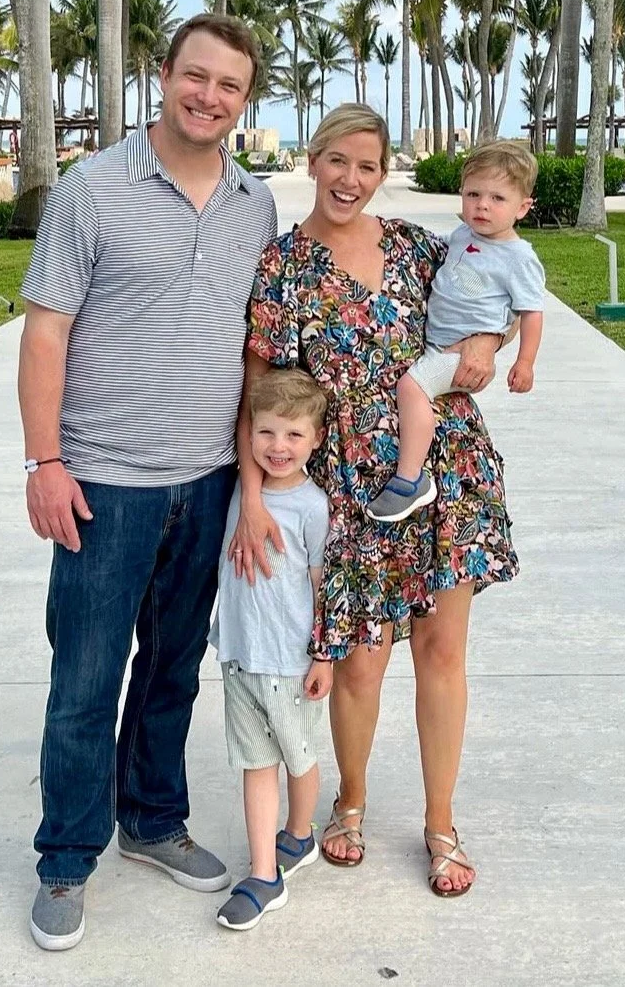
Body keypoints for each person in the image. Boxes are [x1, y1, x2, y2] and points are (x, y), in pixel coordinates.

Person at [17, 13, 277, 951]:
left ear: (247, 100)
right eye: (195, 76)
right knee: (85, 679)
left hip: (206, 479)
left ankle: (153, 821)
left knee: (172, 670)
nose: (209, 96)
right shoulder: (92, 189)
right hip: (103, 480)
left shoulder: (255, 204)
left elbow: (255, 347)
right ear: (162, 75)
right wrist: (46, 463)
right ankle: (66, 858)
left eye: (230, 86)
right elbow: (45, 329)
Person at [232, 105, 518, 900]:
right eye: (337, 162)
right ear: (313, 161)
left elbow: (491, 300)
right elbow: (261, 390)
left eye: (367, 165)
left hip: (446, 466)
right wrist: (253, 494)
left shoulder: (420, 248)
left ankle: (440, 823)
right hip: (348, 482)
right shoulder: (283, 266)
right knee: (360, 660)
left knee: (442, 652)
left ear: (382, 170)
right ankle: (349, 802)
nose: (350, 179)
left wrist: (489, 347)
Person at [365, 141, 545, 522]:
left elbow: (531, 313)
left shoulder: (519, 258)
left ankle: (409, 478)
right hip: (437, 343)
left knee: (412, 388)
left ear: (523, 207)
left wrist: (524, 362)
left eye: (498, 198)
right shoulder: (462, 237)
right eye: (473, 194)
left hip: (456, 353)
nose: (482, 205)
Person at [210, 369, 332, 930]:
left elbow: (320, 583)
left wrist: (324, 653)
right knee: (256, 764)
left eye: (293, 435)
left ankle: (300, 834)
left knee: (298, 756)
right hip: (239, 654)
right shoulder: (239, 490)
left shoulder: (311, 507)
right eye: (266, 433)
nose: (278, 447)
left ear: (316, 440)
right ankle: (264, 874)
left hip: (290, 660)